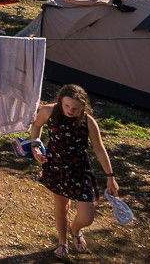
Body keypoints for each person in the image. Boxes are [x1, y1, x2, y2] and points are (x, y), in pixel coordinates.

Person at [30, 84, 120, 259]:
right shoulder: (49, 111)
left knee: (87, 217)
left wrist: (110, 177)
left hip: (80, 170)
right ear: (60, 101)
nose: (70, 111)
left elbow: (99, 149)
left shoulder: (88, 121)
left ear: (83, 107)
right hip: (56, 167)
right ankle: (62, 243)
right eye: (67, 106)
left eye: (75, 108)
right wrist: (35, 145)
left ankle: (75, 229)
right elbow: (37, 126)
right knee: (61, 206)